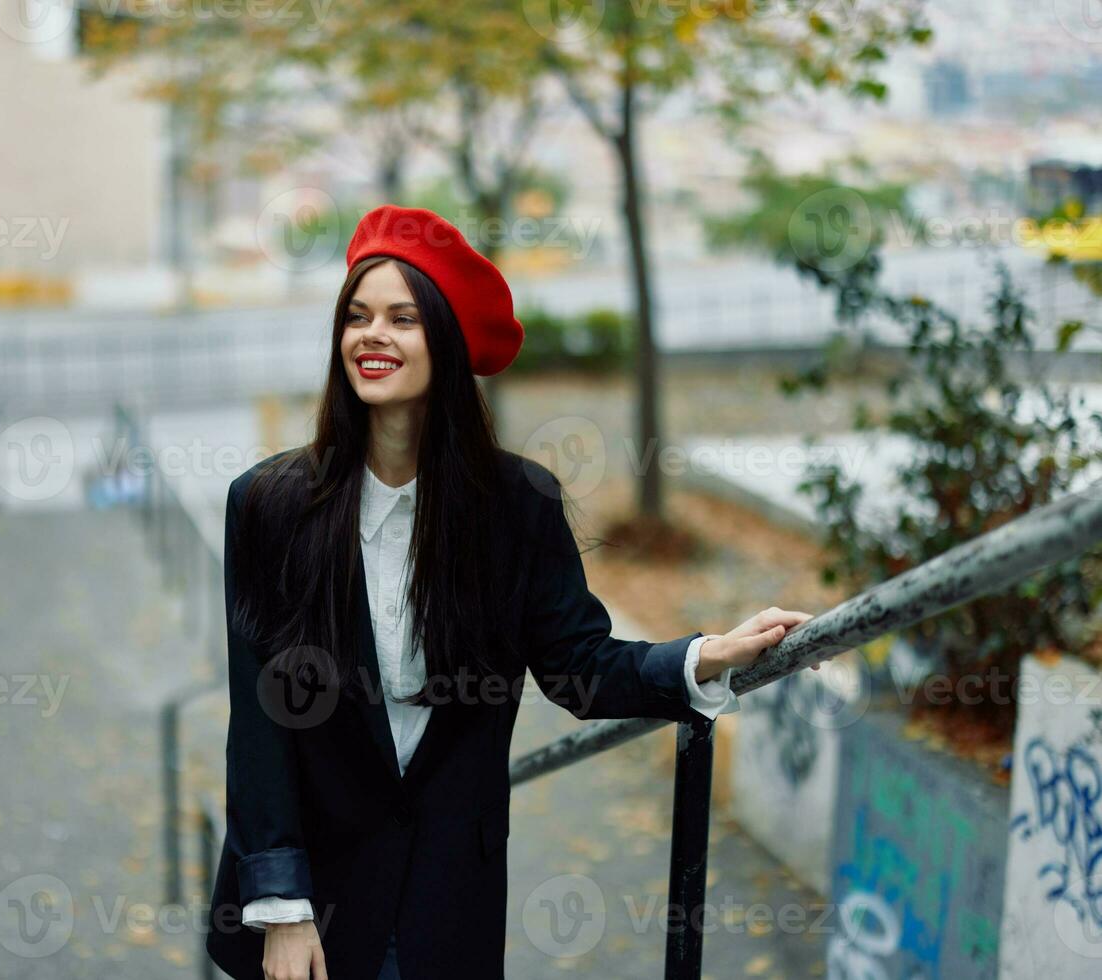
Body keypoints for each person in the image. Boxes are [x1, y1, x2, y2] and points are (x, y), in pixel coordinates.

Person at [204, 205, 816, 980]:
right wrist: (283, 908)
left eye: (401, 317)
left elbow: (577, 667)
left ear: (448, 342)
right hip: (310, 906)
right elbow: (258, 723)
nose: (371, 336)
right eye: (356, 317)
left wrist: (702, 658)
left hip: (446, 893)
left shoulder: (515, 506)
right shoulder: (268, 505)